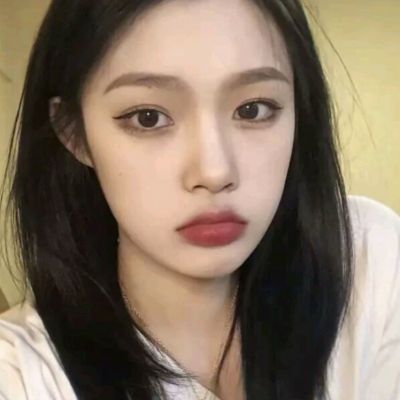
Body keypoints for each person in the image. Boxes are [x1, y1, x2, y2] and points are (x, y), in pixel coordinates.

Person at [0, 0, 399, 399]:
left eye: (253, 109)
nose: (214, 172)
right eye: (148, 117)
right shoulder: (22, 376)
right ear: (74, 133)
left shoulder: (368, 263)